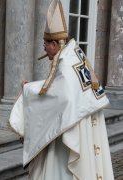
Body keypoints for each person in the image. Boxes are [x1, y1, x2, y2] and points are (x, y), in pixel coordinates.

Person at [9, 0, 114, 179]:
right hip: (81, 118)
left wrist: (28, 89)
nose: (44, 48)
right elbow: (60, 85)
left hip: (74, 123)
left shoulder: (65, 63)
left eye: (45, 44)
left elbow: (60, 96)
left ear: (56, 44)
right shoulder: (74, 54)